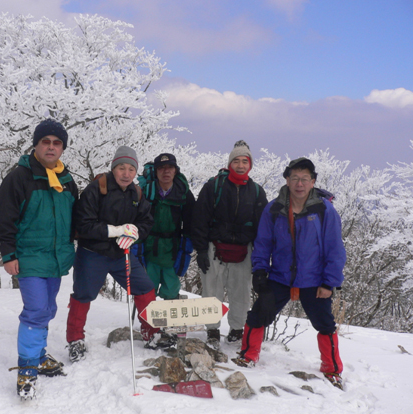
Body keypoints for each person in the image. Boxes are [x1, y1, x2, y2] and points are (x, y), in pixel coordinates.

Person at [233, 157, 346, 389]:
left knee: (325, 323)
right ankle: (248, 355)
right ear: (287, 179)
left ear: (313, 182)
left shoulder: (325, 210)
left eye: (305, 179)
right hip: (280, 276)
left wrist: (329, 282)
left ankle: (332, 368)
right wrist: (260, 271)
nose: (299, 184)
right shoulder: (274, 208)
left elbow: (335, 248)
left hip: (314, 280)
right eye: (295, 178)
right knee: (258, 315)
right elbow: (263, 242)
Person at [0, 119, 78, 398]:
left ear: (62, 148)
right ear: (36, 144)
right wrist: (8, 253)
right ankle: (27, 368)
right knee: (36, 311)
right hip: (29, 257)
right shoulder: (19, 177)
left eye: (57, 143)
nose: (51, 147)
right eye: (46, 142)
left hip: (55, 259)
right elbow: (5, 217)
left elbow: (76, 218)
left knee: (47, 310)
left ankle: (39, 355)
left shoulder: (66, 180)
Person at [66, 146, 176, 363]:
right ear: (113, 168)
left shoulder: (136, 192)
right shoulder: (96, 188)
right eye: (121, 168)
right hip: (92, 253)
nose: (126, 174)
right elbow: (83, 224)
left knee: (145, 288)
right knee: (83, 294)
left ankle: (151, 333)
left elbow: (146, 221)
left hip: (121, 255)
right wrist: (114, 231)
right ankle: (75, 340)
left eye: (131, 169)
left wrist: (135, 233)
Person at [191, 140, 268, 349]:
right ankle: (212, 330)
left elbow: (264, 228)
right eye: (236, 161)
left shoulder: (257, 191)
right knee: (211, 291)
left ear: (250, 165)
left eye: (245, 161)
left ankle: (236, 329)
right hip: (214, 248)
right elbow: (199, 219)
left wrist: (261, 258)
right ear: (229, 163)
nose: (241, 165)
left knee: (241, 292)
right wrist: (201, 250)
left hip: (244, 250)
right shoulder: (213, 187)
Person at [137, 153, 196, 301]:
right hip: (149, 248)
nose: (166, 171)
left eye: (170, 167)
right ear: (156, 171)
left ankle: (168, 321)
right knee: (146, 289)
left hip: (172, 250)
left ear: (176, 171)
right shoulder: (146, 192)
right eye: (161, 168)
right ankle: (147, 323)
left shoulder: (184, 194)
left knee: (171, 290)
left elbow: (189, 225)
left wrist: (185, 252)